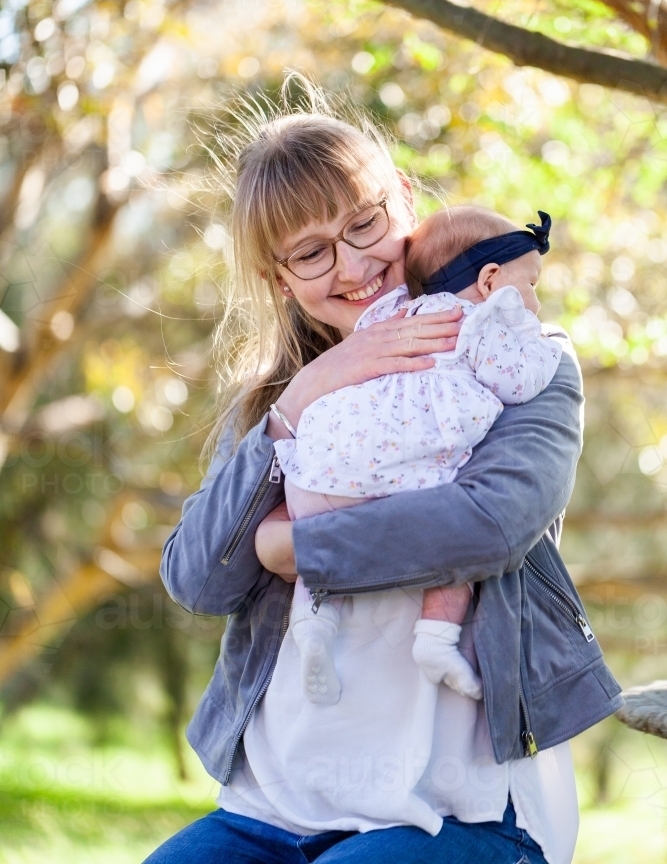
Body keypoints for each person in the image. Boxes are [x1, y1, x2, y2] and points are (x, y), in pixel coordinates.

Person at [148, 79, 623, 864]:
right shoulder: (274, 405)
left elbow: (489, 526)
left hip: (459, 809)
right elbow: (197, 578)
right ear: (280, 279)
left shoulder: (521, 362)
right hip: (271, 806)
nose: (353, 265)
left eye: (364, 224)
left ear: (402, 198)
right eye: (311, 252)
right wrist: (300, 399)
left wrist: (290, 548)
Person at [276, 205, 562, 706]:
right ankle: (436, 639)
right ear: (491, 281)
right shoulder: (480, 325)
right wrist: (545, 350)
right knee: (449, 532)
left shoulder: (388, 319)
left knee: (315, 518)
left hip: (318, 468)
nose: (536, 305)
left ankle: (313, 622)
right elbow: (516, 384)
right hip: (401, 474)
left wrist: (274, 546)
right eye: (531, 287)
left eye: (363, 225)